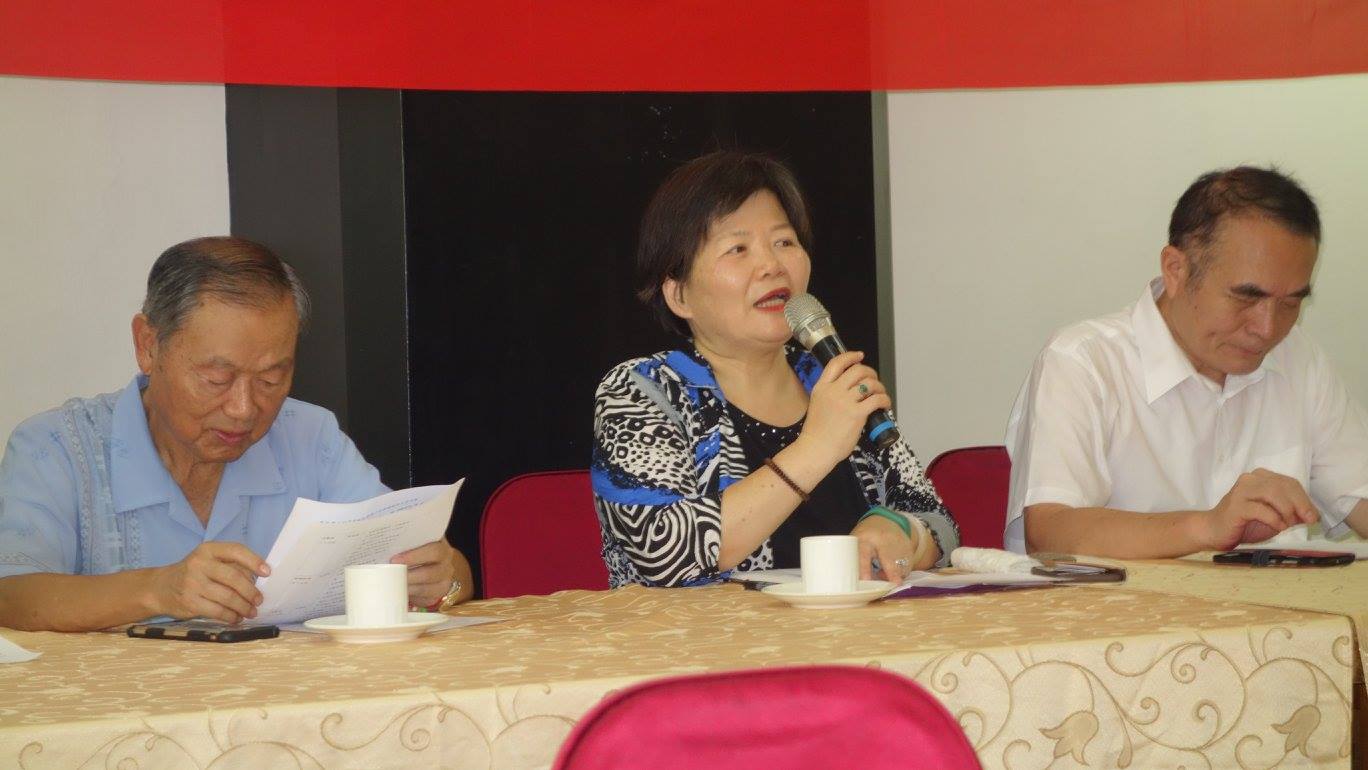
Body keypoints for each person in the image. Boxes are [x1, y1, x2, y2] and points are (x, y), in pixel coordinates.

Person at [0, 237, 472, 631]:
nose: (244, 409)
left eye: (271, 379)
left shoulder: (310, 438)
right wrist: (157, 590)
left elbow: (446, 571)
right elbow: (10, 596)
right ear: (148, 345)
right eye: (217, 378)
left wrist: (442, 579)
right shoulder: (58, 448)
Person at [592, 151, 959, 588]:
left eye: (784, 242)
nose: (772, 265)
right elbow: (667, 552)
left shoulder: (831, 381)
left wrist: (898, 529)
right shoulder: (643, 391)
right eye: (738, 249)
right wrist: (818, 446)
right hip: (707, 634)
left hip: (851, 629)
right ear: (679, 295)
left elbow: (939, 523)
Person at [1005, 167, 1368, 557]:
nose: (1267, 329)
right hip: (1118, 599)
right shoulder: (1083, 362)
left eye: (1291, 303)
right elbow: (1050, 531)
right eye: (1247, 297)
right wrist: (1209, 527)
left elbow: (1361, 497)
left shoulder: (1300, 359)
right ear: (1176, 270)